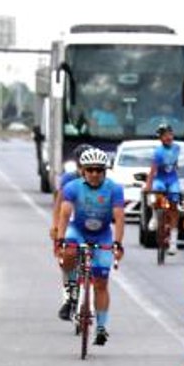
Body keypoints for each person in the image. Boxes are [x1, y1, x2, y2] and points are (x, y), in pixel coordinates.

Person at [55, 148, 125, 346]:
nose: (94, 174)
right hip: (77, 231)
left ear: (105, 171)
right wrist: (60, 239)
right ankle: (70, 294)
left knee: (101, 282)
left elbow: (119, 218)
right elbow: (64, 214)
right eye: (90, 170)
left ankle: (101, 327)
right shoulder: (72, 187)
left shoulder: (114, 189)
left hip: (102, 235)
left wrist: (118, 243)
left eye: (99, 170)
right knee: (69, 251)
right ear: (83, 171)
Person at [53, 143, 92, 318]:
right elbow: (59, 205)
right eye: (80, 165)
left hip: (91, 225)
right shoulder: (68, 179)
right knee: (66, 258)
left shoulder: (98, 179)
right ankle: (68, 297)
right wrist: (55, 226)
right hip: (71, 223)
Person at [143, 123, 182, 255]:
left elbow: (176, 165)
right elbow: (153, 169)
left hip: (172, 179)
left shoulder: (177, 148)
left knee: (173, 207)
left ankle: (173, 242)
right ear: (160, 138)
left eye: (169, 134)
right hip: (160, 179)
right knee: (157, 191)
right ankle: (155, 216)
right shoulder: (158, 152)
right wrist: (148, 185)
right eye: (164, 135)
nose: (167, 137)